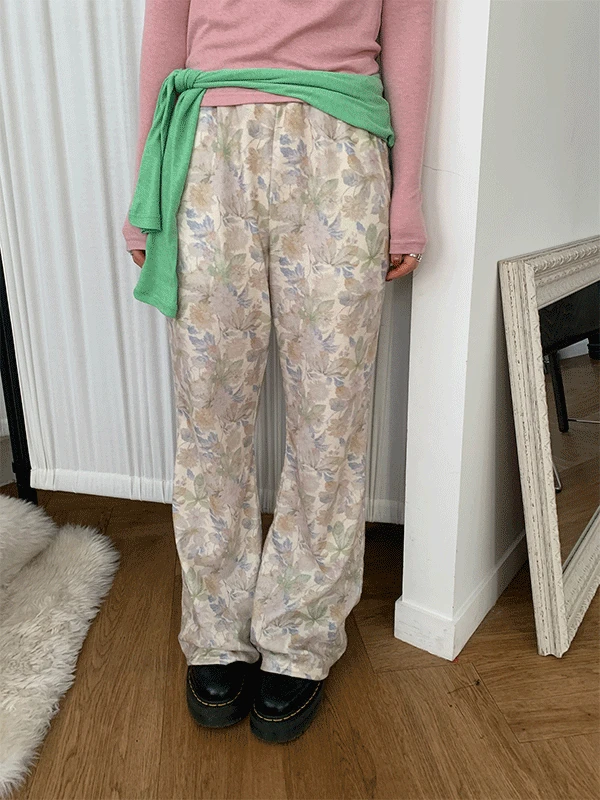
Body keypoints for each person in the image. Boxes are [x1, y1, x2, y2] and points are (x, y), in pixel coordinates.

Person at [123, 0, 434, 744]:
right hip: (207, 149)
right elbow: (165, 26)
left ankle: (300, 635)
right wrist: (145, 195)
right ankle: (216, 632)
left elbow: (410, 28)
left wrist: (408, 197)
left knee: (331, 418)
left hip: (341, 145)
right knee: (209, 414)